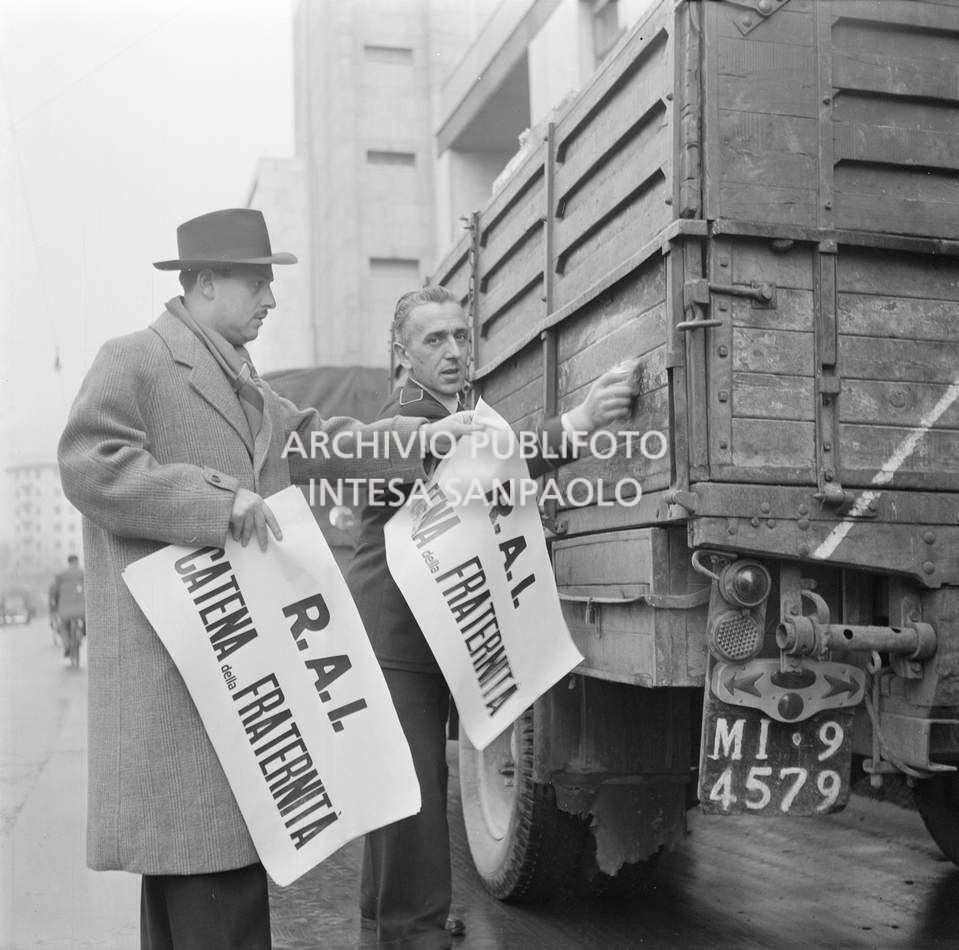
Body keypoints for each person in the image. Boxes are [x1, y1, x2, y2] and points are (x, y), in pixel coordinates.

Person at [57, 209, 478, 950]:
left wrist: (422, 434)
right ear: (203, 282)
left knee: (202, 887)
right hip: (176, 676)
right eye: (257, 281)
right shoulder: (135, 360)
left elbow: (319, 440)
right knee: (207, 883)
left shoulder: (242, 379)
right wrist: (219, 502)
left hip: (229, 673)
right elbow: (91, 466)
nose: (271, 299)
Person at [347, 285, 635, 949]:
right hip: (400, 634)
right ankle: (412, 934)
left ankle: (382, 921)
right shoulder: (414, 414)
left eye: (459, 335)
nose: (452, 351)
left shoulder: (462, 406)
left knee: (407, 782)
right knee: (415, 790)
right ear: (402, 353)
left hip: (434, 625)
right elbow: (487, 467)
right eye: (433, 340)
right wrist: (580, 421)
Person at [49, 554, 85, 658]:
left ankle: (67, 645)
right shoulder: (82, 573)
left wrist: (54, 604)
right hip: (81, 609)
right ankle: (81, 635)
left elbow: (55, 592)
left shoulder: (60, 575)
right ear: (77, 562)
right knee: (85, 622)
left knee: (63, 626)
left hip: (65, 609)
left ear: (68, 562)